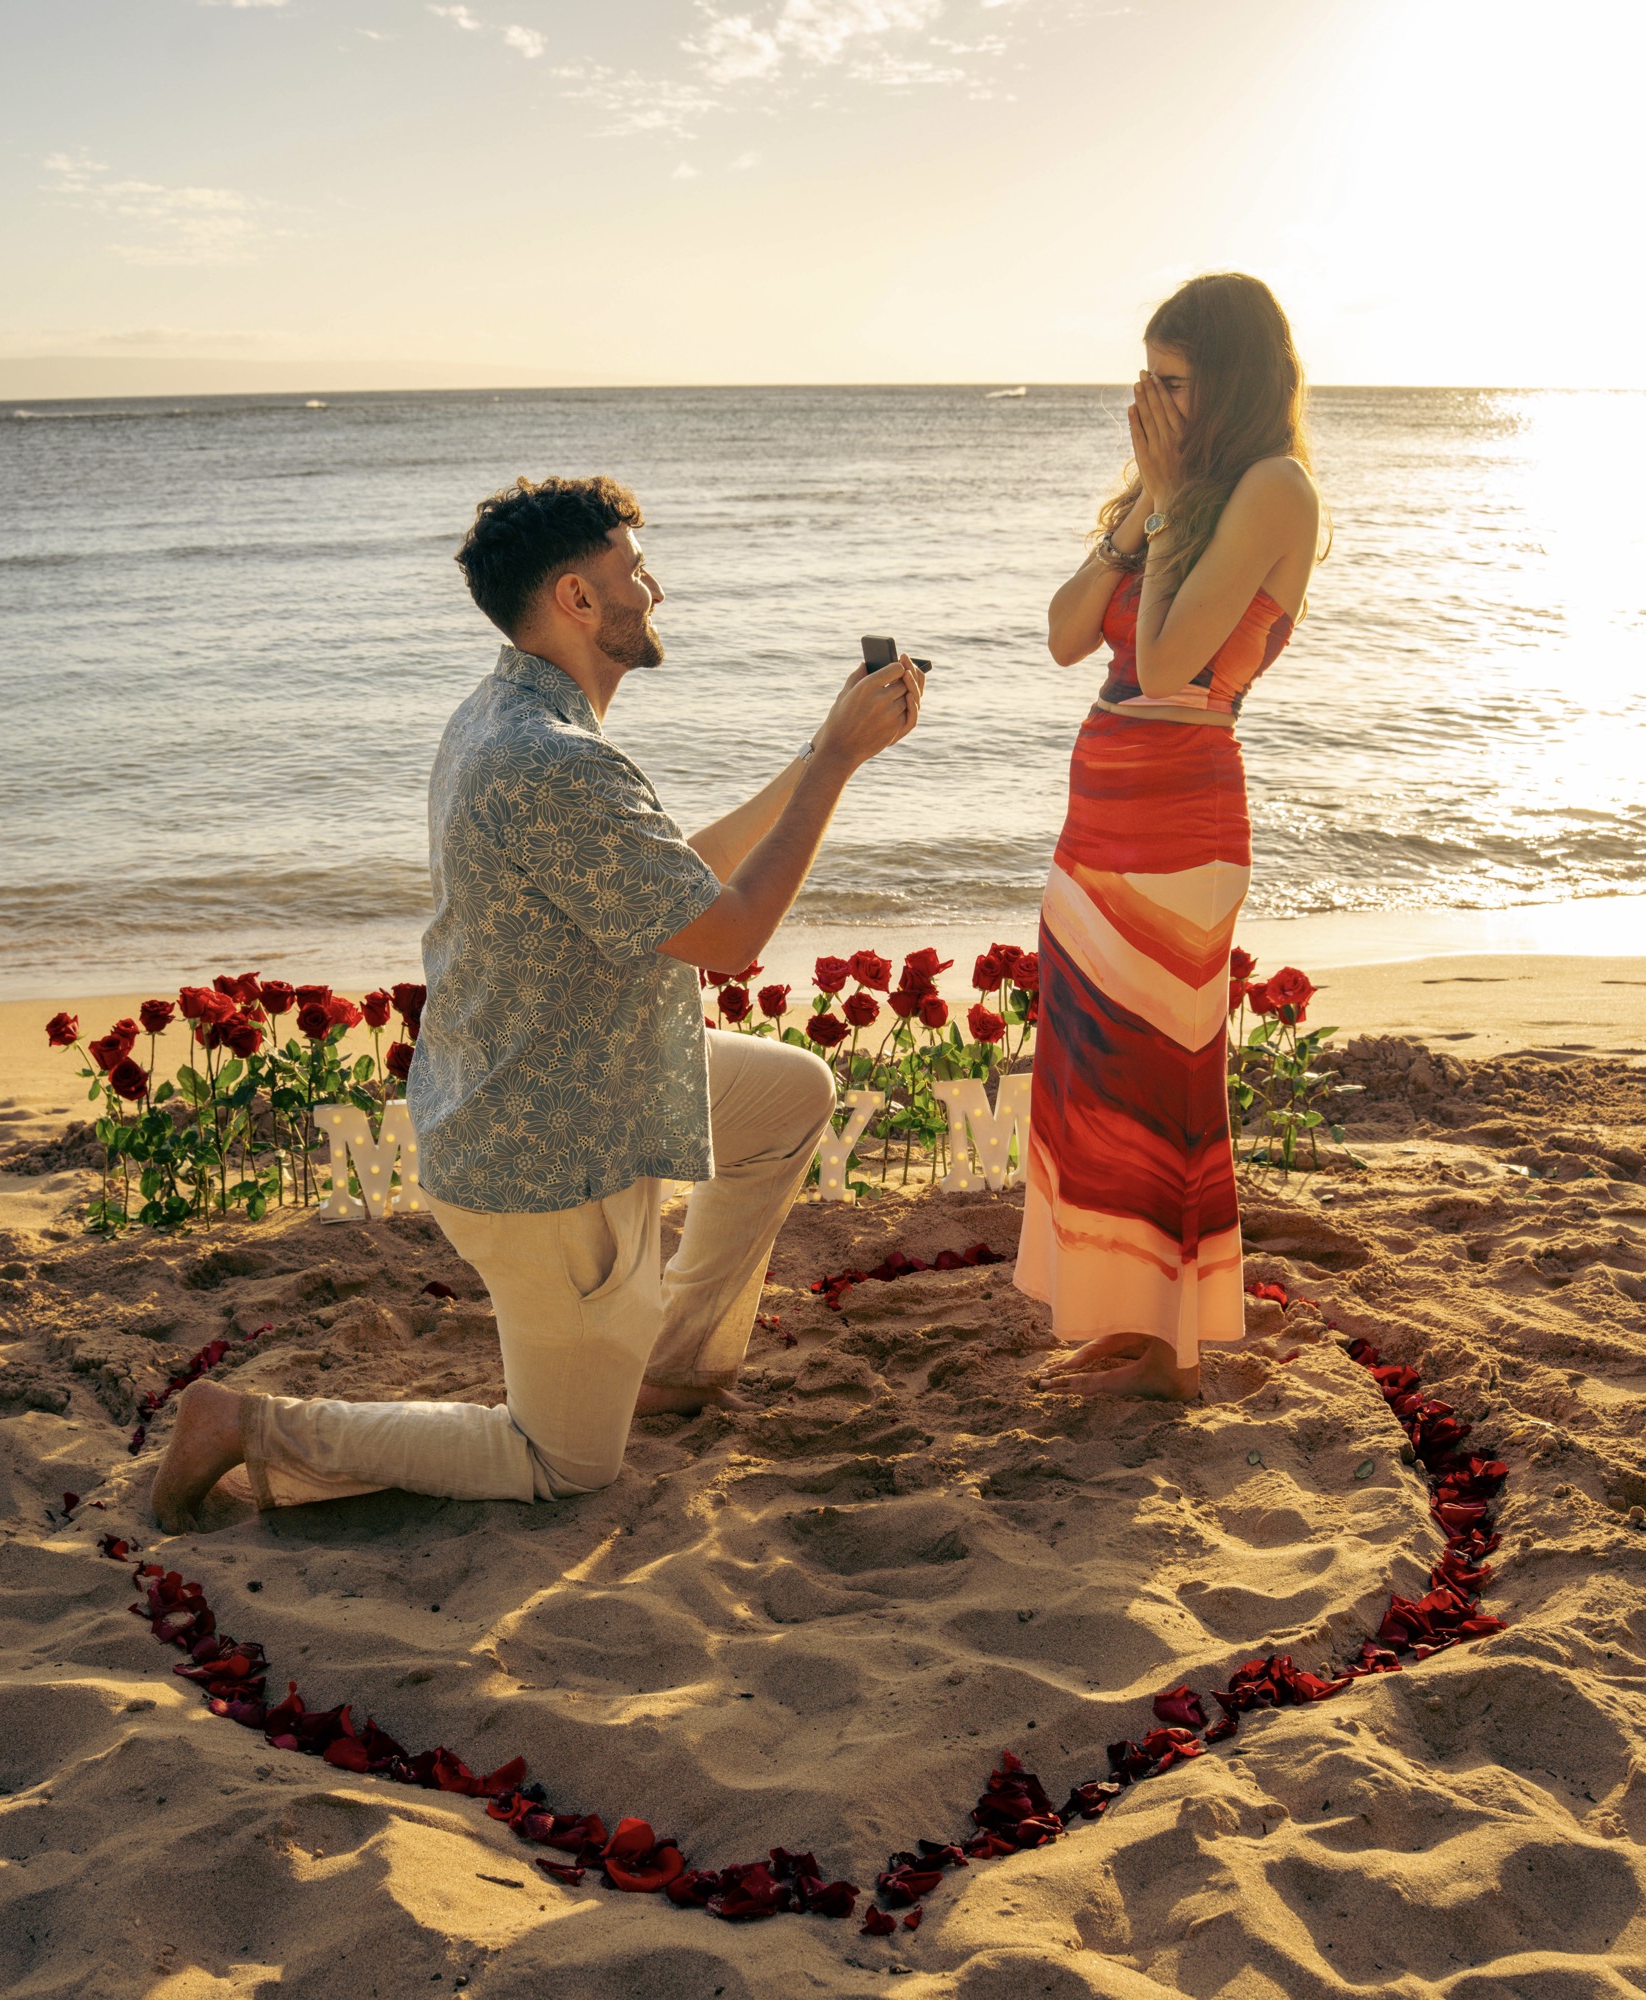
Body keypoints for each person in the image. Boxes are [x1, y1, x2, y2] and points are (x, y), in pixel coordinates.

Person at [152, 475, 925, 1525]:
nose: (652, 588)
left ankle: (679, 1358)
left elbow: (677, 884)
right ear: (575, 597)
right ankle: (246, 1424)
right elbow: (733, 939)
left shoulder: (510, 712)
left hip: (577, 1071)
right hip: (550, 1151)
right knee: (565, 1461)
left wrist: (811, 753)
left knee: (789, 1092)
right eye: (630, 571)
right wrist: (838, 764)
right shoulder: (551, 762)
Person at [1018, 273, 1323, 1400]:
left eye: (1174, 379)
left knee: (1157, 1077)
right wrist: (1145, 508)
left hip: (1182, 819)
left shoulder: (1272, 490)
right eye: (1144, 374)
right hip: (1099, 818)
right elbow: (1064, 635)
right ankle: (1122, 1319)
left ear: (1231, 382)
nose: (1149, 398)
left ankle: (1161, 1349)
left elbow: (1166, 661)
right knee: (1091, 1071)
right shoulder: (1177, 490)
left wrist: (1171, 496)